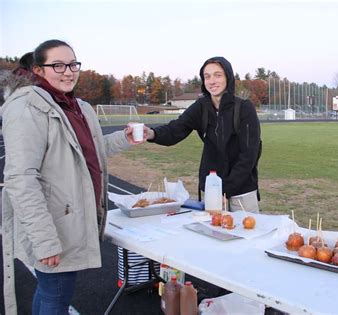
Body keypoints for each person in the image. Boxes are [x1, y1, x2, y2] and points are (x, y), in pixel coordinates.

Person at [1, 39, 148, 314]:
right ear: (39, 70)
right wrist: (44, 240)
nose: (68, 71)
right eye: (57, 65)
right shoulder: (27, 108)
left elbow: (87, 151)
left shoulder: (77, 106)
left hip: (72, 220)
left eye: (72, 64)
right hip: (53, 225)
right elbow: (21, 179)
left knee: (50, 293)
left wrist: (123, 138)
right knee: (55, 296)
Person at [147, 56, 261, 212]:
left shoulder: (244, 108)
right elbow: (175, 130)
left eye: (217, 75)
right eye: (207, 76)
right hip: (212, 188)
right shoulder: (200, 107)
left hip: (241, 192)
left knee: (247, 234)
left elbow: (249, 155)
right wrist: (151, 133)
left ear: (228, 77)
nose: (212, 81)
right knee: (211, 234)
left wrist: (226, 190)